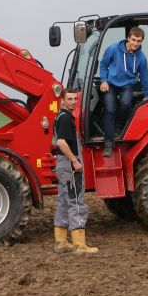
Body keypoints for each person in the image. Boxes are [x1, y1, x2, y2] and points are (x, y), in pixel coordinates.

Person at [52, 88, 98, 254]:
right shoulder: (65, 118)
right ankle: (80, 245)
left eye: (74, 99)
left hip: (62, 165)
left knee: (64, 200)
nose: (73, 102)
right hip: (69, 165)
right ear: (62, 100)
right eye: (69, 99)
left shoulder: (60, 117)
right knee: (76, 200)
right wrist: (74, 161)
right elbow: (61, 143)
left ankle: (61, 242)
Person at [99, 26, 148, 156]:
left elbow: (145, 77)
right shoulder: (113, 49)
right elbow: (103, 65)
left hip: (127, 84)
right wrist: (104, 80)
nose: (135, 43)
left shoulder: (141, 58)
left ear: (141, 41)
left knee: (126, 104)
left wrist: (147, 95)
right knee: (110, 108)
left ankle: (117, 125)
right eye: (133, 39)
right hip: (111, 84)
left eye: (139, 41)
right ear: (128, 38)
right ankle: (108, 143)